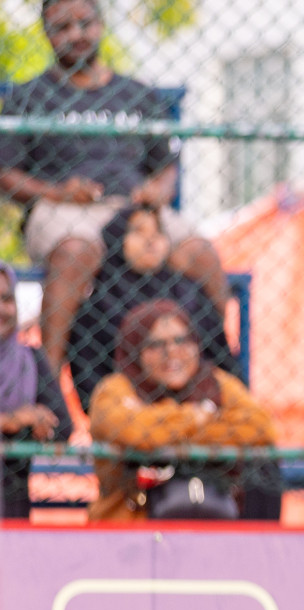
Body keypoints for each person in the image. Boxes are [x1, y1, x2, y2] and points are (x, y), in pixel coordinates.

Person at [0, 0, 228, 376]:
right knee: (76, 251)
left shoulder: (138, 95)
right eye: (63, 27)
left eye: (84, 23)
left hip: (136, 212)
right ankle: (50, 384)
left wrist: (156, 191)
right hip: (64, 209)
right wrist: (56, 193)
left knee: (200, 252)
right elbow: (5, 175)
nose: (76, 34)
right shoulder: (28, 98)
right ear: (47, 34)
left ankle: (214, 375)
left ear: (100, 24)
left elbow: (165, 167)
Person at [88, 300, 274, 521]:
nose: (172, 352)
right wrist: (196, 416)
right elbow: (136, 432)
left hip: (213, 515)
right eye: (155, 344)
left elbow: (261, 427)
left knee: (266, 469)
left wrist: (168, 431)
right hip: (131, 526)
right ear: (134, 350)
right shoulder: (114, 389)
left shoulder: (215, 383)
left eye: (181, 340)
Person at [69, 204, 237, 406]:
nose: (151, 240)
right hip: (128, 411)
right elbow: (89, 382)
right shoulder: (99, 304)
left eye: (158, 232)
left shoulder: (189, 292)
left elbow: (221, 360)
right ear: (117, 241)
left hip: (197, 407)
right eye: (138, 232)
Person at [0, 268, 68, 519]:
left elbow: (63, 429)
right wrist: (12, 421)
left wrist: (36, 420)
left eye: (7, 299)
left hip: (11, 510)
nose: (1, 309)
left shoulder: (29, 359)